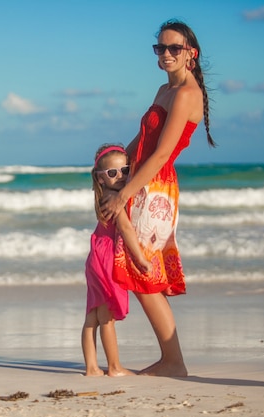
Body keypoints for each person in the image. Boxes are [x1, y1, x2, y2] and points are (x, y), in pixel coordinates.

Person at [100, 19, 216, 377]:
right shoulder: (164, 90)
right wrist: (111, 167)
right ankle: (172, 359)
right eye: (160, 48)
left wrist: (123, 197)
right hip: (141, 182)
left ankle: (173, 361)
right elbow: (140, 143)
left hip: (156, 189)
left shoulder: (185, 95)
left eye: (174, 49)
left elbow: (163, 154)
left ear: (190, 54)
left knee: (143, 269)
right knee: (142, 271)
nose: (166, 54)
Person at [82, 144, 152, 377]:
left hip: (95, 256)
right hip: (106, 258)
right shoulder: (115, 199)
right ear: (100, 179)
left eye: (125, 170)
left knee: (92, 315)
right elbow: (126, 229)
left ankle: (92, 367)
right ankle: (114, 367)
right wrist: (141, 258)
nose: (120, 176)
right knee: (106, 317)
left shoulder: (103, 196)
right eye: (112, 173)